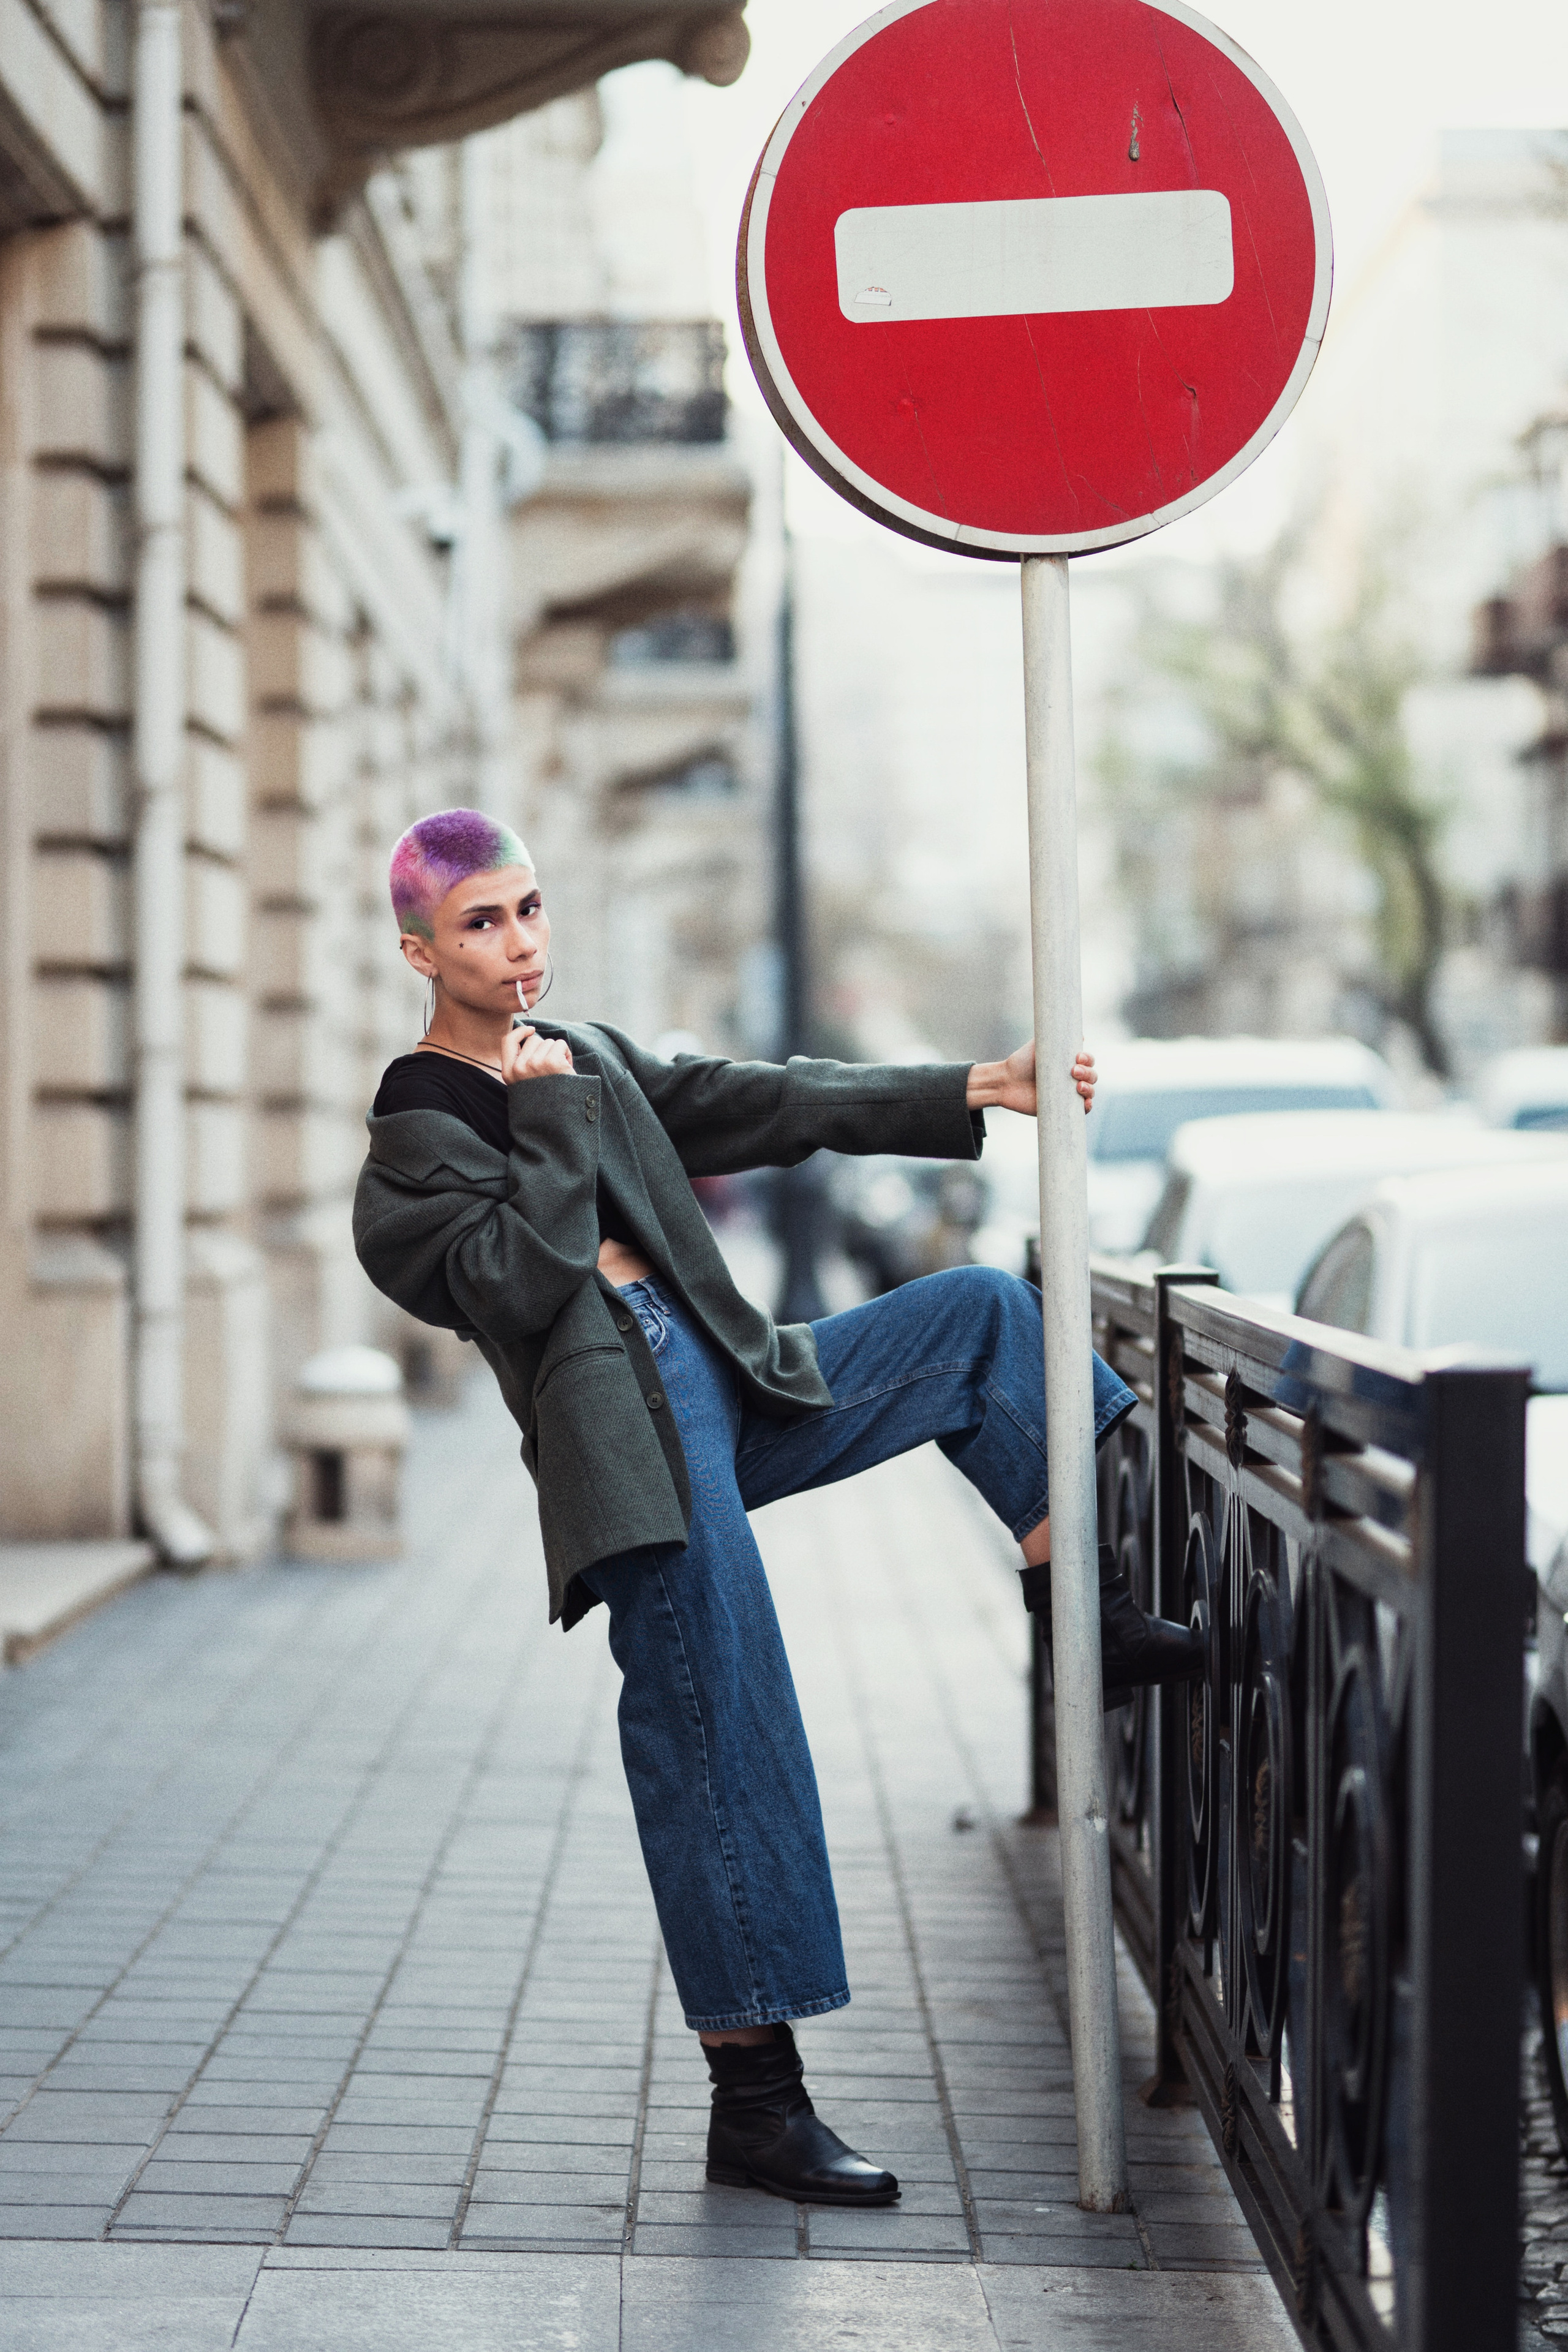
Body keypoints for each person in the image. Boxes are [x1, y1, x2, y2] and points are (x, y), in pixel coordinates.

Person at [353, 809, 1201, 2212]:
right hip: (627, 1436)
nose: (518, 945)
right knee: (718, 1730)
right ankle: (756, 2103)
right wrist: (554, 1115)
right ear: (419, 952)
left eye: (528, 910)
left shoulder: (594, 1054)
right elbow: (515, 1278)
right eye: (481, 926)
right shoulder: (418, 1131)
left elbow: (760, 1096)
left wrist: (969, 1085)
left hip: (732, 1372)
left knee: (986, 1320)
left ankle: (1079, 1617)